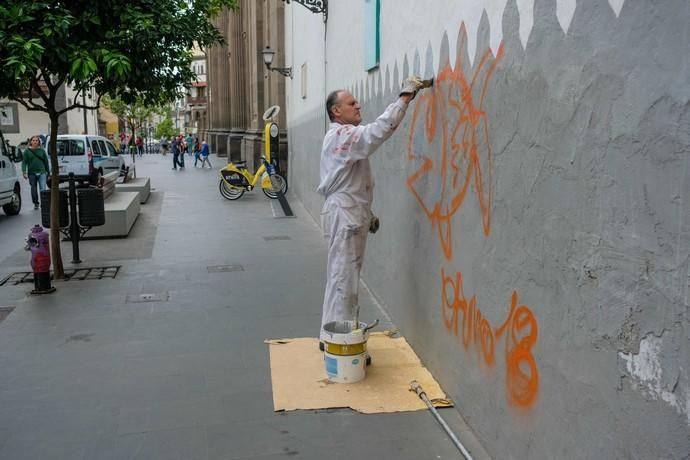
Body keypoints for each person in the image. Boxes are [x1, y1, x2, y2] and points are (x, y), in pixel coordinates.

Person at [317, 77, 430, 345]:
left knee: (342, 278)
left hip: (349, 213)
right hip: (345, 216)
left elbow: (353, 181)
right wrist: (404, 97)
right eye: (351, 103)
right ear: (336, 111)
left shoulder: (341, 137)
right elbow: (377, 132)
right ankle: (339, 343)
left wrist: (368, 214)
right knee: (344, 282)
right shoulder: (342, 136)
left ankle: (332, 336)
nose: (358, 105)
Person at [21, 135, 50, 210]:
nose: (35, 142)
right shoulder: (27, 151)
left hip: (42, 172)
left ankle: (43, 203)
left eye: (36, 140)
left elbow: (46, 162)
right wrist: (24, 172)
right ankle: (36, 203)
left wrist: (48, 173)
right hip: (32, 173)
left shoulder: (42, 151)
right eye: (33, 140)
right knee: (33, 189)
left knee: (43, 189)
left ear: (39, 142)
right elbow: (24, 162)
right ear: (31, 142)